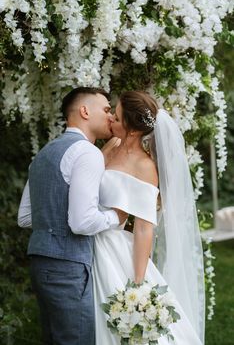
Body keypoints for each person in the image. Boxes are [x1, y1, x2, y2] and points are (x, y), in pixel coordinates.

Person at [92, 91, 205, 344]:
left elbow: (143, 228)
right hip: (88, 234)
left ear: (132, 130)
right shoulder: (111, 146)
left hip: (114, 247)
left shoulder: (145, 167)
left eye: (117, 118)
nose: (110, 119)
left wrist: (138, 282)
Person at [17, 87, 126, 345]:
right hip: (67, 267)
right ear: (85, 111)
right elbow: (82, 222)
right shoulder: (87, 153)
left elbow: (25, 217)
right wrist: (115, 216)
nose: (111, 116)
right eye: (107, 109)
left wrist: (56, 218)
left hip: (40, 264)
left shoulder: (43, 154)